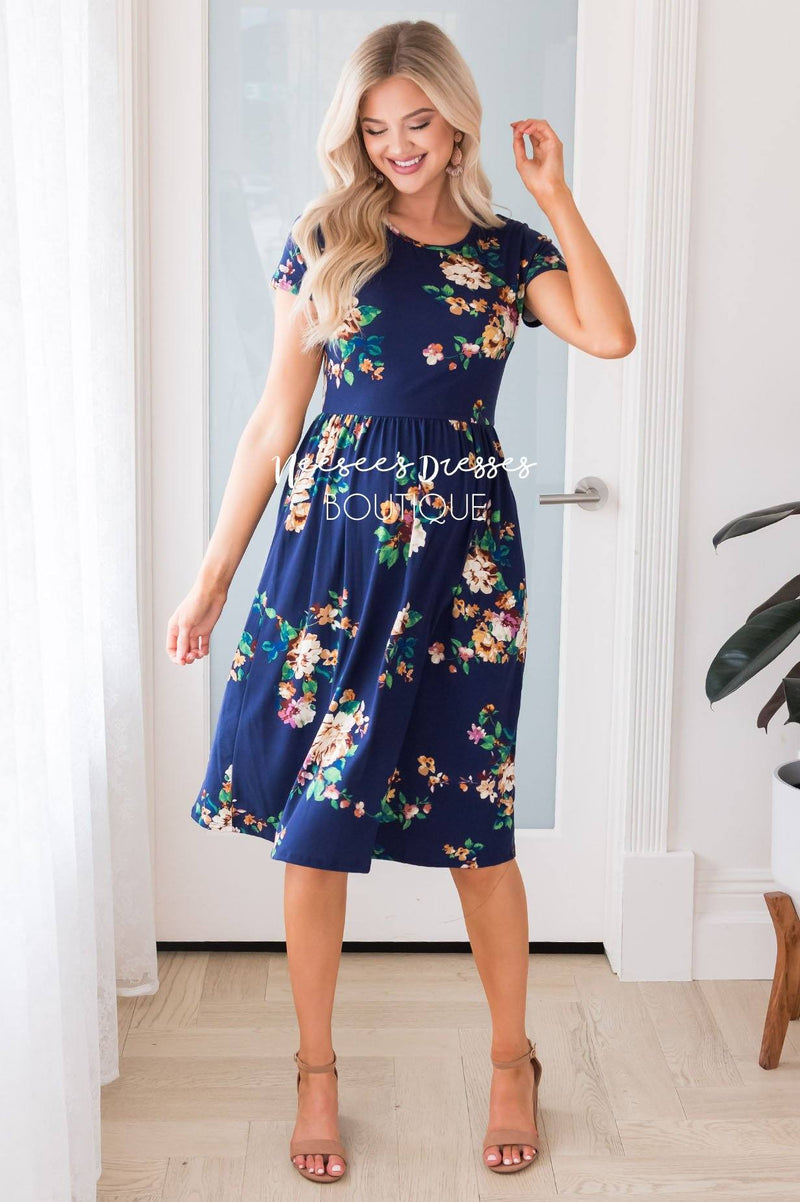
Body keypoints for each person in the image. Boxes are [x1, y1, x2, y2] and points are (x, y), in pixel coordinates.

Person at [166, 18, 635, 1186]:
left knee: (477, 828)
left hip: (460, 569)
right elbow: (272, 426)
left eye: (415, 123)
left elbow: (609, 334)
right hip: (330, 561)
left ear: (454, 120)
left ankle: (511, 1059)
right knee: (315, 827)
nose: (395, 147)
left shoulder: (508, 250)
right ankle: (314, 1071)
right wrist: (212, 575)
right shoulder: (327, 239)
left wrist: (554, 193)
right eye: (374, 129)